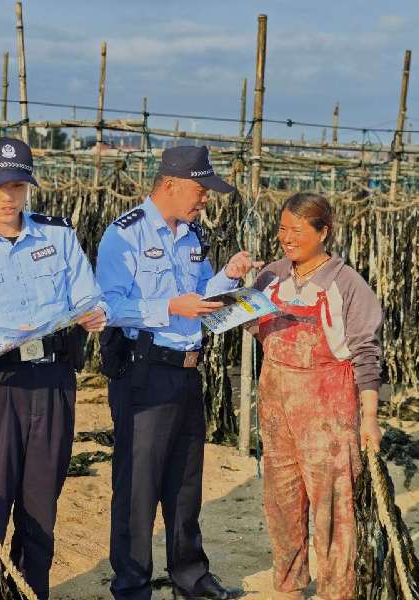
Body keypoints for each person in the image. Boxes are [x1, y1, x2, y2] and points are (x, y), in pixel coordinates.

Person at [0, 137, 107, 599]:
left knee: (41, 509)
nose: (9, 196)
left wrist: (91, 314)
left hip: (53, 382)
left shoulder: (58, 236)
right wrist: (3, 340)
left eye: (18, 185)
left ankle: (32, 592)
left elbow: (87, 297)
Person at [96, 145, 261, 600]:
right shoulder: (123, 235)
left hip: (189, 371)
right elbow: (107, 307)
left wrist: (228, 276)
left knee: (186, 482)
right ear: (169, 185)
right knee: (138, 485)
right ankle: (131, 583)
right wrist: (168, 306)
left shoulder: (191, 236)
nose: (206, 198)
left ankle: (191, 575)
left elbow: (202, 296)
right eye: (200, 188)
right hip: (145, 371)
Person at [246, 192, 383, 600]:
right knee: (282, 499)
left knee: (332, 509)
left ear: (324, 232)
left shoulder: (346, 283)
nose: (286, 238)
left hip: (329, 410)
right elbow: (251, 325)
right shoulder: (270, 276)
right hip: (276, 404)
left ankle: (336, 591)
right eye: (283, 228)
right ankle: (289, 585)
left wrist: (370, 418)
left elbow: (366, 354)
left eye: (297, 230)